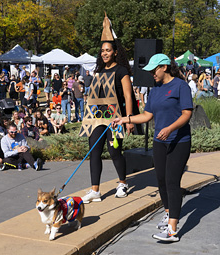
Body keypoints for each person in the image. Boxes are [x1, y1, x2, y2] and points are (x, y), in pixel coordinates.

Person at [112, 53, 193, 242]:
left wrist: (170, 127)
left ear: (164, 67)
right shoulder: (155, 89)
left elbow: (186, 113)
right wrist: (125, 119)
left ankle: (173, 229)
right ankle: (168, 213)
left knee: (172, 181)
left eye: (153, 70)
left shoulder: (180, 86)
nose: (151, 74)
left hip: (178, 142)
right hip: (160, 142)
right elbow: (147, 115)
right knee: (162, 180)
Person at [81, 13, 136, 204]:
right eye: (102, 50)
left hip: (115, 118)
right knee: (94, 151)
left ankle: (122, 183)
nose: (104, 53)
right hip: (96, 118)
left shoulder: (121, 71)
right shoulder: (98, 72)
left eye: (108, 50)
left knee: (114, 151)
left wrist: (128, 119)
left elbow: (129, 96)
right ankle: (95, 190)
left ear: (115, 52)